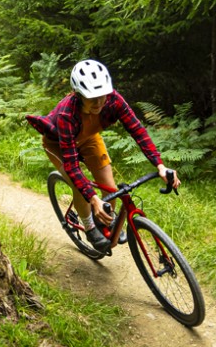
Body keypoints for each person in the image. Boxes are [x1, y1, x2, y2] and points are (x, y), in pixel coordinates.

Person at [26, 59, 179, 252]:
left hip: (88, 138)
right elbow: (73, 167)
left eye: (102, 96)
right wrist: (92, 198)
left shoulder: (114, 100)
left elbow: (137, 131)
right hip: (58, 143)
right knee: (81, 185)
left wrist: (160, 166)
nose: (99, 102)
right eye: (92, 98)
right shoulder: (67, 113)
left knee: (111, 188)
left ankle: (104, 221)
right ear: (78, 94)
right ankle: (90, 227)